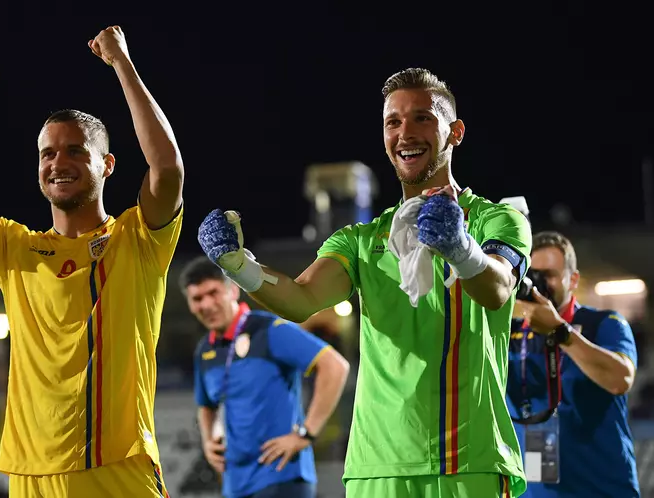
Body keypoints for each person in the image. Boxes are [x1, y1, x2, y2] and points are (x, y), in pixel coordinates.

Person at [197, 68, 532, 498]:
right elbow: (301, 300)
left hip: (468, 461)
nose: (405, 133)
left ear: (456, 132)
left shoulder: (495, 220)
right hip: (375, 468)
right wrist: (237, 264)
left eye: (422, 118)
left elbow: (498, 288)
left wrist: (460, 247)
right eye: (393, 122)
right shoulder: (359, 240)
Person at [0, 26, 183, 498]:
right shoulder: (12, 247)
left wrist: (123, 64)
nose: (59, 162)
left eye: (76, 150)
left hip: (118, 466)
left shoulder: (137, 238)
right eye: (48, 153)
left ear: (107, 164)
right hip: (32, 474)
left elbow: (168, 169)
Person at [180, 256, 350, 498]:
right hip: (235, 485)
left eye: (213, 293)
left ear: (233, 290)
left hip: (282, 476)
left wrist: (306, 433)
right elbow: (206, 405)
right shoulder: (204, 351)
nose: (206, 304)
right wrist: (208, 442)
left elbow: (335, 366)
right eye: (197, 298)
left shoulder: (269, 330)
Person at [506, 231, 639, 497]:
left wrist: (560, 332)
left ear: (573, 279)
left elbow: (620, 379)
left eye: (550, 274)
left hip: (601, 488)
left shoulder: (602, 323)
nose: (540, 282)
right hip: (537, 489)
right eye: (534, 274)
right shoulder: (511, 332)